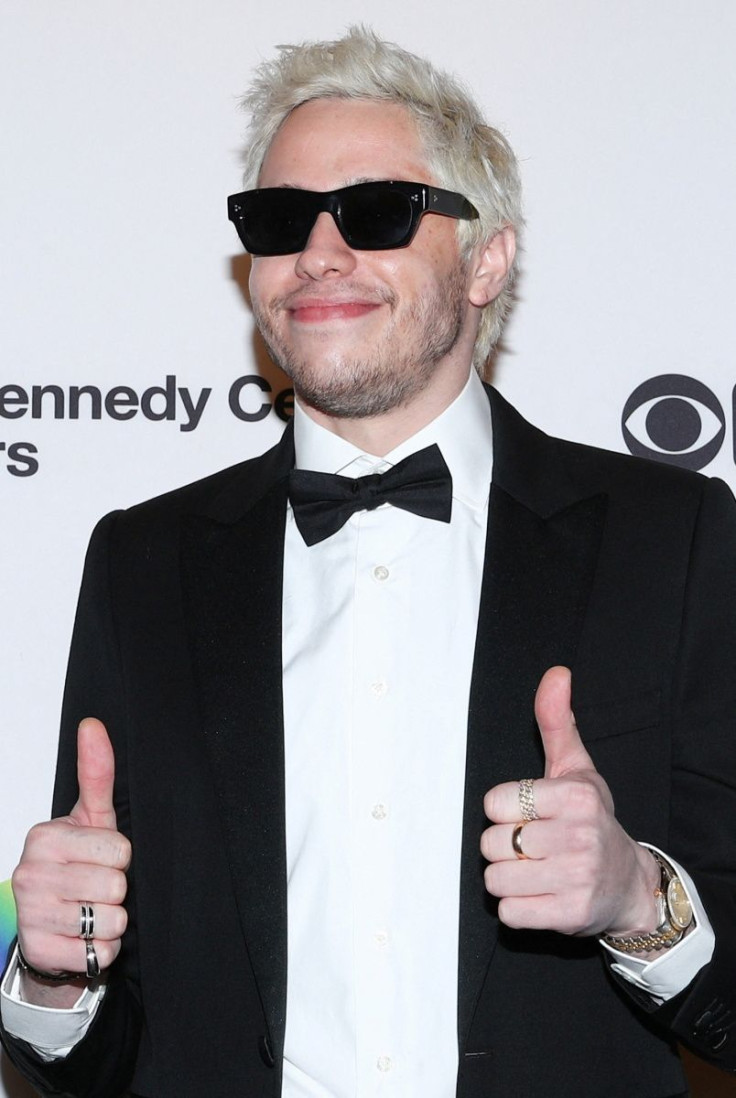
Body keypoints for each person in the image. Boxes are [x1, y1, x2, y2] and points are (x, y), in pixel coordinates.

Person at [2, 26, 736, 1098]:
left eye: (378, 212)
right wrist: (55, 977)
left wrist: (637, 900)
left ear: (486, 258)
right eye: (280, 219)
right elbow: (114, 1041)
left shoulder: (668, 539)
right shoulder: (143, 563)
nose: (320, 252)